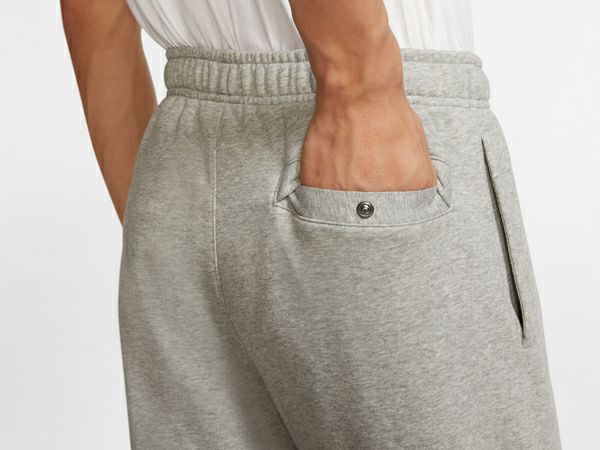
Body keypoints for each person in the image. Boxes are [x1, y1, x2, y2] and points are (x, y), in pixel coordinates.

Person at [62, 0, 561, 448]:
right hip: (354, 110)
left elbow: (91, 13)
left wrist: (154, 212)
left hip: (178, 155)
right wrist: (363, 85)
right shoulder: (359, 89)